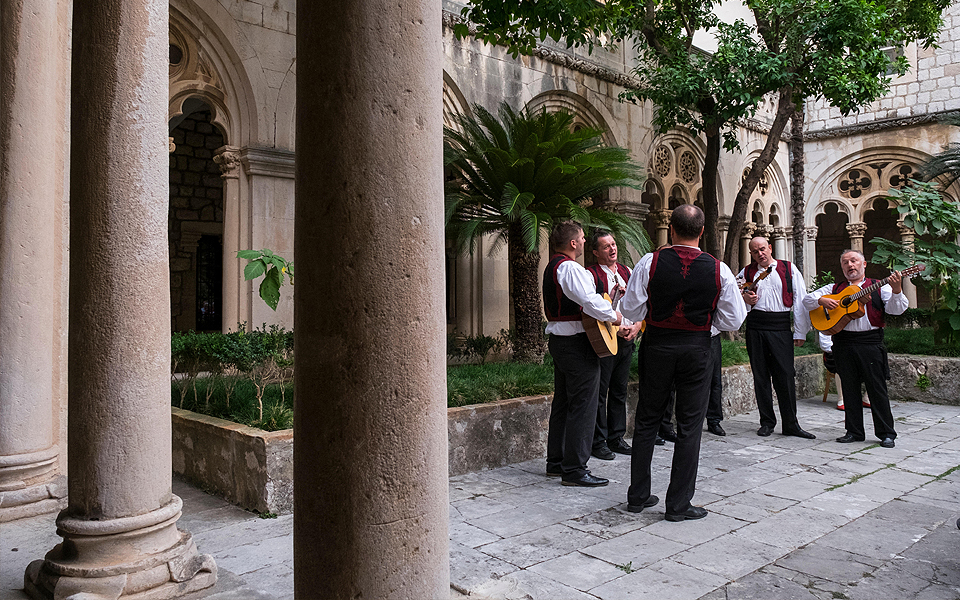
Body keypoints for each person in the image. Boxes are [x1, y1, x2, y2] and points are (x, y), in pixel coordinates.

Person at [621, 205, 746, 521]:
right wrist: (704, 324)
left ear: (671, 229)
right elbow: (734, 318)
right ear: (702, 232)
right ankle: (677, 505)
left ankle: (637, 495)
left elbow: (632, 311)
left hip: (658, 346)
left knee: (648, 419)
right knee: (690, 426)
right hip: (697, 350)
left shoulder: (651, 262)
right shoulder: (719, 269)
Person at [543, 221, 622, 486]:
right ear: (573, 243)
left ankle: (556, 462)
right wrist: (615, 316)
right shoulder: (569, 267)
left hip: (561, 341)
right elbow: (588, 300)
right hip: (576, 344)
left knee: (563, 402)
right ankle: (575, 469)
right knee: (584, 405)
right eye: (582, 238)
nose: (585, 242)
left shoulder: (552, 265)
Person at [803, 249, 906, 448]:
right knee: (849, 389)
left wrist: (897, 290)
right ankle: (854, 431)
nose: (850, 265)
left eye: (854, 261)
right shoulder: (835, 288)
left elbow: (897, 310)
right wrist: (821, 300)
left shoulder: (877, 287)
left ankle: (886, 433)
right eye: (845, 263)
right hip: (843, 342)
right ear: (842, 267)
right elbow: (806, 300)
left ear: (864, 264)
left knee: (877, 389)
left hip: (870, 342)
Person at [739, 237, 816, 439]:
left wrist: (800, 332)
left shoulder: (788, 269)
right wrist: (746, 299)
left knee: (785, 376)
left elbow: (800, 300)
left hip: (780, 327)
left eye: (762, 249)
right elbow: (734, 294)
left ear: (770, 248)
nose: (760, 254)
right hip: (755, 327)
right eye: (755, 251)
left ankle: (791, 424)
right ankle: (767, 422)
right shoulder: (747, 272)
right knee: (761, 376)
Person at [586, 231, 642, 460]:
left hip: (627, 338)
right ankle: (598, 441)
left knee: (619, 390)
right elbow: (592, 308)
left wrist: (637, 326)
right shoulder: (591, 275)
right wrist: (611, 297)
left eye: (614, 244)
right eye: (606, 246)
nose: (612, 249)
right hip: (606, 339)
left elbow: (641, 302)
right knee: (601, 391)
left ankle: (616, 437)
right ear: (596, 252)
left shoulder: (627, 272)